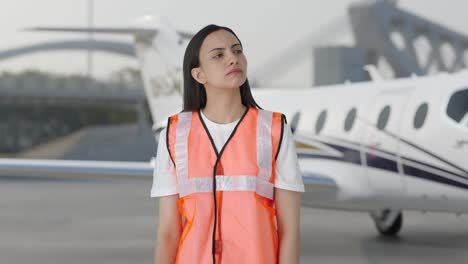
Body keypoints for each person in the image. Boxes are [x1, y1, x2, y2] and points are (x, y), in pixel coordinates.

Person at [151, 24, 305, 264]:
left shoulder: (274, 129)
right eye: (218, 55)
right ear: (199, 75)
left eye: (237, 51)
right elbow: (169, 232)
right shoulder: (174, 134)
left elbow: (290, 231)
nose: (233, 59)